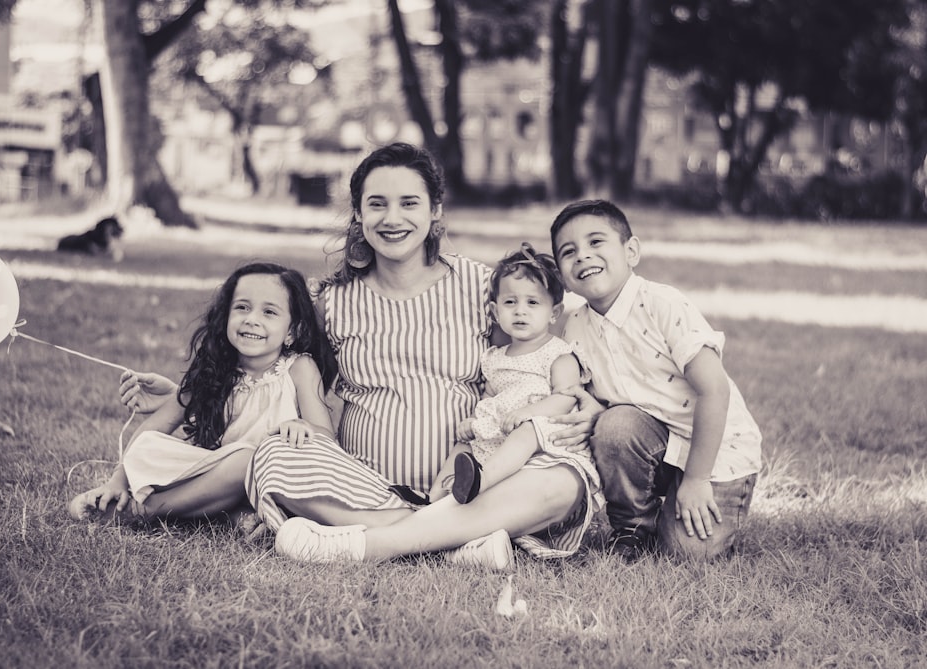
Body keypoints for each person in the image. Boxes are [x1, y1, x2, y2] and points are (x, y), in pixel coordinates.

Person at [122, 143, 601, 570]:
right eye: (377, 204)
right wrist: (197, 395)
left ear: (436, 211)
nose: (393, 218)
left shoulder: (483, 288)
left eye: (409, 203)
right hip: (364, 488)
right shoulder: (330, 301)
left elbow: (547, 344)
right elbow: (270, 363)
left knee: (563, 482)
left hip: (474, 480)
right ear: (358, 213)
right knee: (272, 453)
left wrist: (591, 403)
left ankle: (379, 545)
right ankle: (451, 540)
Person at [550, 199, 763, 561]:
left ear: (631, 251)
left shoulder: (663, 304)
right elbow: (602, 397)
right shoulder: (575, 326)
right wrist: (592, 412)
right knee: (614, 425)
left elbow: (714, 389)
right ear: (562, 276)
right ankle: (633, 527)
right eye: (569, 252)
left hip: (715, 450)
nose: (583, 256)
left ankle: (697, 506)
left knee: (685, 553)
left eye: (596, 242)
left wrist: (696, 480)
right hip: (653, 440)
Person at [69, 262, 337, 523]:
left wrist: (301, 425)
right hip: (216, 477)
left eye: (269, 312)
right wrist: (118, 479)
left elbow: (326, 437)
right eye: (242, 307)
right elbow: (153, 429)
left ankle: (146, 511)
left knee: (248, 460)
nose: (251, 320)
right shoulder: (214, 369)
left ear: (292, 331)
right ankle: (232, 516)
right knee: (149, 446)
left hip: (273, 478)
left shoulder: (299, 367)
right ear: (226, 316)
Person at [429, 242, 600, 508]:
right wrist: (474, 420)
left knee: (526, 432)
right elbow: (489, 395)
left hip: (540, 435)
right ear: (496, 312)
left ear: (553, 313)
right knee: (464, 445)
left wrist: (528, 413)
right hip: (499, 431)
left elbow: (565, 399)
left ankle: (480, 483)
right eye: (510, 302)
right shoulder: (495, 357)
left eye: (533, 302)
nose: (520, 310)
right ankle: (435, 497)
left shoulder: (559, 354)